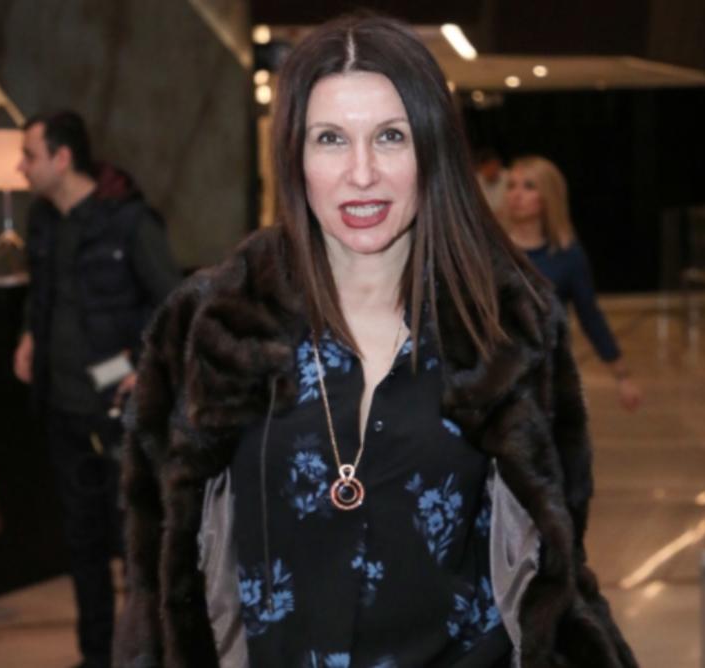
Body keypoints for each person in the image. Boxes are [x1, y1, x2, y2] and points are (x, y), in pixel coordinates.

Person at [114, 15, 636, 668]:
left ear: (432, 150)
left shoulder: (506, 326)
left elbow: (558, 564)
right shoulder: (210, 325)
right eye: (330, 139)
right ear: (295, 156)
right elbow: (160, 574)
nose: (361, 174)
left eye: (391, 136)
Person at [12, 110, 179, 668]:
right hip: (62, 410)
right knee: (81, 544)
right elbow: (43, 294)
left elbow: (173, 306)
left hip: (121, 414)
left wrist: (147, 367)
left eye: (29, 155)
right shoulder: (42, 221)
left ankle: (138, 657)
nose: (21, 167)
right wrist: (29, 335)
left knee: (135, 549)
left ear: (62, 158)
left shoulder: (129, 221)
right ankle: (94, 656)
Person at [503, 156, 642, 412]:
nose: (516, 195)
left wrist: (622, 376)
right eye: (511, 185)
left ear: (548, 196)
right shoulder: (491, 250)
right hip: (498, 383)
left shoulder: (568, 257)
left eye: (528, 186)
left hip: (549, 383)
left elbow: (590, 316)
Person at [475, 147, 506, 218]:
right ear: (481, 167)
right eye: (489, 167)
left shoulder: (508, 178)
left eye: (495, 165)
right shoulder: (476, 181)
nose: (493, 170)